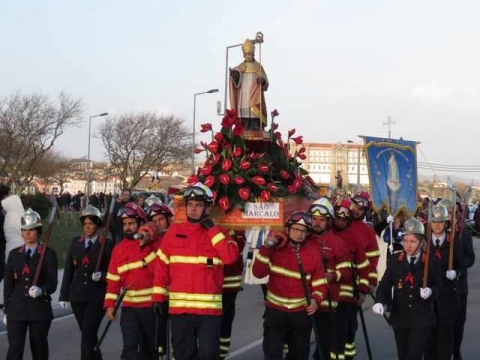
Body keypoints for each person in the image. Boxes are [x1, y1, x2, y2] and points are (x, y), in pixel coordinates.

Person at [152, 182, 240, 360]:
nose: (193, 209)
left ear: (208, 207)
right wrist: (158, 297)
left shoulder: (220, 233)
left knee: (208, 355)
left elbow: (231, 257)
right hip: (180, 311)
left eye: (199, 205)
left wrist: (212, 230)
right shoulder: (174, 231)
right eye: (190, 205)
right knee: (184, 355)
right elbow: (161, 265)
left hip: (209, 312)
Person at [252, 211, 327, 360]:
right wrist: (266, 247)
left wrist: (315, 300)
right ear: (288, 229)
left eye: (303, 231)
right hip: (275, 312)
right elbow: (258, 273)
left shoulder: (313, 253)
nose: (299, 234)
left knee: (298, 355)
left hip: (300, 314)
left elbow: (320, 284)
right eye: (295, 229)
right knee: (272, 353)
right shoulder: (275, 248)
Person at [372, 217, 440, 360]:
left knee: (413, 355)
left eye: (413, 241)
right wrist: (379, 301)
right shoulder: (396, 260)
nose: (408, 245)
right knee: (403, 355)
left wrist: (431, 291)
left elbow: (439, 285)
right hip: (400, 317)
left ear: (421, 242)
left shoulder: (430, 260)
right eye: (405, 241)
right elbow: (385, 283)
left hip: (421, 317)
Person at [104, 202, 159, 359]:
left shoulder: (152, 245)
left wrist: (145, 248)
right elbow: (113, 281)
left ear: (141, 223)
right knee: (129, 349)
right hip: (129, 309)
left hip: (150, 308)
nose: (127, 227)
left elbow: (159, 272)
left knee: (149, 350)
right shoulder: (118, 250)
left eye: (131, 223)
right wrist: (110, 306)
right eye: (125, 224)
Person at [59, 205, 113, 360]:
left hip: (97, 296)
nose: (87, 227)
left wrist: (102, 275)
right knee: (88, 335)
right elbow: (69, 269)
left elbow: (113, 271)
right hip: (77, 296)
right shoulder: (75, 242)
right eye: (85, 224)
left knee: (88, 334)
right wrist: (64, 295)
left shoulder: (106, 244)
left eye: (91, 223)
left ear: (97, 224)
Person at [3, 208, 58, 359]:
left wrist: (42, 290)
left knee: (39, 349)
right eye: (24, 230)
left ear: (38, 232)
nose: (27, 233)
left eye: (31, 230)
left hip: (39, 310)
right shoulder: (14, 254)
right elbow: (8, 286)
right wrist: (7, 310)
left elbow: (52, 282)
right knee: (14, 350)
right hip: (17, 309)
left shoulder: (48, 254)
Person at [308, 198, 352, 360]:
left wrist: (333, 275)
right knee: (298, 344)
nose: (317, 223)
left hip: (327, 304)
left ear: (328, 222)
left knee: (324, 346)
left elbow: (347, 270)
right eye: (314, 219)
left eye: (321, 220)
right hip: (303, 302)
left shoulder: (336, 243)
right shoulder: (303, 238)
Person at [424, 203, 466, 360]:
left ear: (445, 223)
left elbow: (463, 267)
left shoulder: (454, 243)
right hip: (428, 299)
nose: (437, 225)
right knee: (428, 340)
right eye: (434, 222)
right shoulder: (423, 243)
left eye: (440, 222)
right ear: (430, 223)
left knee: (445, 340)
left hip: (447, 299)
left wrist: (456, 273)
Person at [332, 197, 370, 360]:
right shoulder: (325, 233)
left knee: (344, 331)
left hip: (346, 294)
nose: (340, 222)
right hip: (323, 294)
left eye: (344, 219)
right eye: (338, 218)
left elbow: (364, 265)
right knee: (325, 333)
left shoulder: (355, 236)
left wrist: (363, 290)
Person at [229, 38, 269, 130]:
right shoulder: (240, 67)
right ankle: (245, 123)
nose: (248, 56)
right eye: (246, 54)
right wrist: (235, 76)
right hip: (244, 91)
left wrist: (262, 80)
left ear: (253, 54)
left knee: (254, 106)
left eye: (250, 54)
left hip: (255, 92)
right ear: (243, 55)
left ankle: (255, 123)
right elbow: (236, 80)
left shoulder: (258, 66)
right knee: (244, 105)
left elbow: (266, 80)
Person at [452, 202, 475, 360]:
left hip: (459, 285)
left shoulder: (464, 232)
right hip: (441, 286)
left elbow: (470, 258)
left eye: (450, 212)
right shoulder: (436, 230)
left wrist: (460, 268)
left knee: (459, 321)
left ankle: (456, 349)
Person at [219, 229, 246, 359]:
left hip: (229, 283)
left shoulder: (235, 229)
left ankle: (222, 353)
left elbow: (239, 246)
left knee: (225, 320)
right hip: (208, 283)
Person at [350, 191, 380, 292]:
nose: (356, 210)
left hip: (357, 282)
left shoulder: (368, 231)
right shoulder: (338, 224)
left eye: (361, 209)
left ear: (365, 211)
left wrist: (371, 282)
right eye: (355, 206)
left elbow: (373, 259)